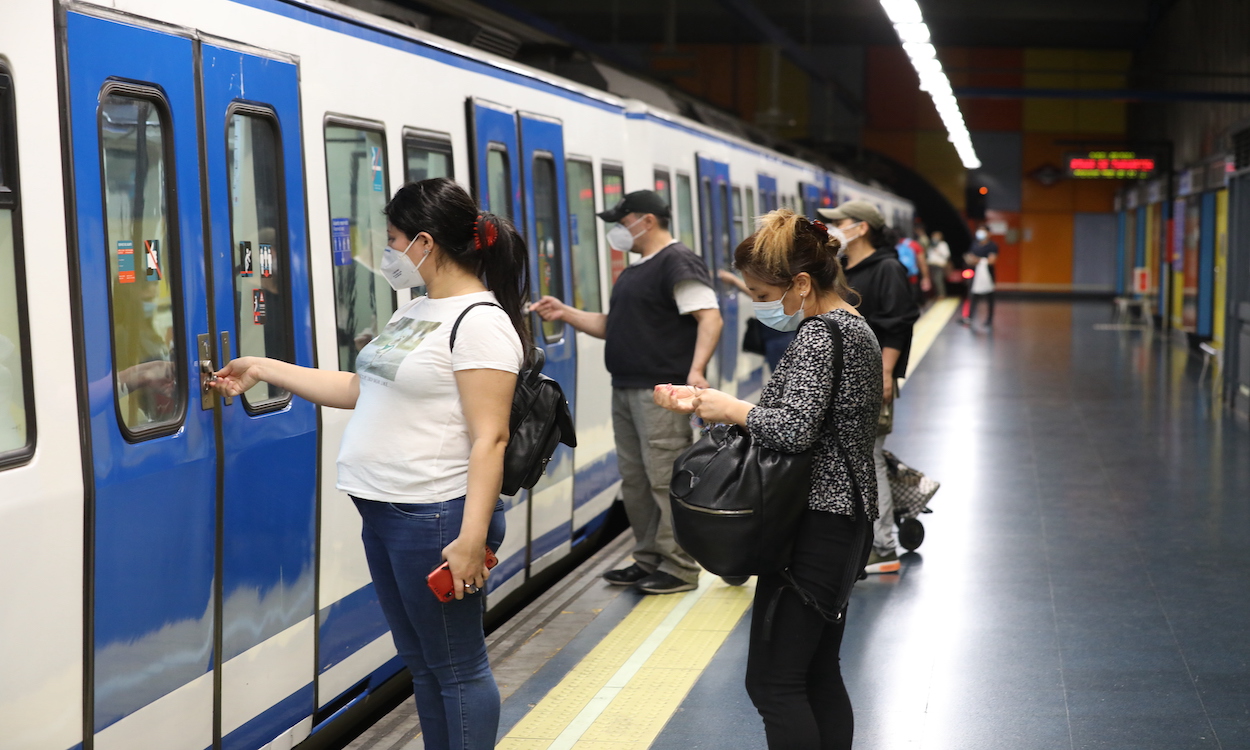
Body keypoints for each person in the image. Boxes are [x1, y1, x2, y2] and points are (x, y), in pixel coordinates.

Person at [211, 178, 528, 750]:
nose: (388, 253)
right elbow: (361, 386)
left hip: (438, 517)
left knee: (457, 669)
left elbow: (492, 438)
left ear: (424, 243)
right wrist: (261, 366)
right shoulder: (418, 312)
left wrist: (469, 539)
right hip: (388, 514)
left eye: (393, 240)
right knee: (425, 665)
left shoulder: (480, 323)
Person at [654, 209, 881, 750]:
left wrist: (731, 409)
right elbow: (808, 417)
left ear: (802, 283)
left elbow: (794, 431)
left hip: (817, 526)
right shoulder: (852, 325)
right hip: (843, 517)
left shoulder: (821, 335)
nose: (757, 302)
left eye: (761, 292)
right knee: (816, 674)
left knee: (775, 684)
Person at [531, 190, 722, 594]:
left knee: (662, 476)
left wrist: (697, 370)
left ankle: (680, 567)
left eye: (622, 221)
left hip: (661, 391)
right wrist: (565, 313)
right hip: (627, 387)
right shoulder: (638, 269)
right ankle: (649, 557)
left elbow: (710, 317)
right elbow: (610, 325)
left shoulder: (677, 261)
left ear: (646, 220)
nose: (618, 230)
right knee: (635, 479)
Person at [818, 200, 919, 575]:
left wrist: (886, 374)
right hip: (844, 380)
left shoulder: (887, 268)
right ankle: (864, 540)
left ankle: (884, 545)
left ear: (861, 228)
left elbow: (897, 324)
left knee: (870, 458)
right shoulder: (845, 267)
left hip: (872, 379)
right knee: (854, 460)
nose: (833, 229)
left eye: (839, 223)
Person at [718, 268, 794, 372]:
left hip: (780, 336)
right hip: (778, 335)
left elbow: (764, 296)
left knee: (783, 376)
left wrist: (733, 280)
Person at [962, 226, 998, 329]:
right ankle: (969, 317)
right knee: (972, 295)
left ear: (989, 233)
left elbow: (992, 261)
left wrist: (977, 260)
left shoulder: (992, 246)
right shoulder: (974, 245)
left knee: (989, 297)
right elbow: (969, 258)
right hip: (974, 273)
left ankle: (989, 319)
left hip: (987, 274)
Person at [926, 230, 950, 298]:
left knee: (938, 280)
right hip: (931, 264)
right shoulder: (930, 245)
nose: (935, 237)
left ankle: (941, 294)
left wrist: (938, 251)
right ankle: (936, 294)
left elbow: (947, 255)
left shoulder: (943, 244)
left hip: (939, 265)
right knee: (933, 280)